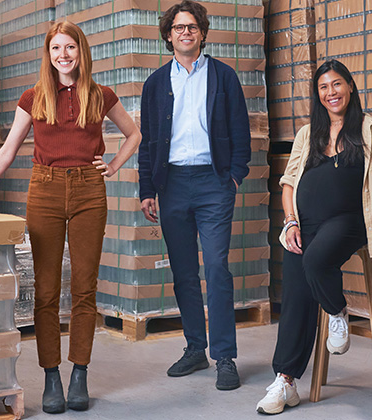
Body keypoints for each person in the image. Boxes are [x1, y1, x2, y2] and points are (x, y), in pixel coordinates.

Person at [0, 21, 141, 414]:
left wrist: (113, 166)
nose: (63, 55)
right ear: (48, 54)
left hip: (90, 190)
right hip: (45, 190)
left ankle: (80, 374)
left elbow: (134, 134)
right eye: (56, 49)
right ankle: (52, 375)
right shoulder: (34, 97)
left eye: (70, 47)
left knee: (86, 288)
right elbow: (6, 152)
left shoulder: (100, 95)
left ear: (81, 51)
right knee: (46, 290)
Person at [255, 59, 372, 414]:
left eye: (337, 84)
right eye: (324, 87)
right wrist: (290, 222)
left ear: (350, 87)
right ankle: (286, 380)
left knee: (313, 259)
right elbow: (289, 184)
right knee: (296, 291)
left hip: (349, 221)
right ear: (318, 94)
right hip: (305, 223)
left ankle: (337, 310)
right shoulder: (307, 134)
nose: (331, 93)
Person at [138, 0, 251, 391]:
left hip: (213, 182)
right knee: (184, 273)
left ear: (202, 32)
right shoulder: (155, 84)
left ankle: (224, 357)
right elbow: (148, 141)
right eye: (179, 27)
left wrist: (234, 176)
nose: (186, 32)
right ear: (168, 35)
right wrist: (147, 189)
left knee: (217, 269)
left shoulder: (223, 76)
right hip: (171, 186)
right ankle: (194, 349)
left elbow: (241, 129)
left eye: (192, 26)